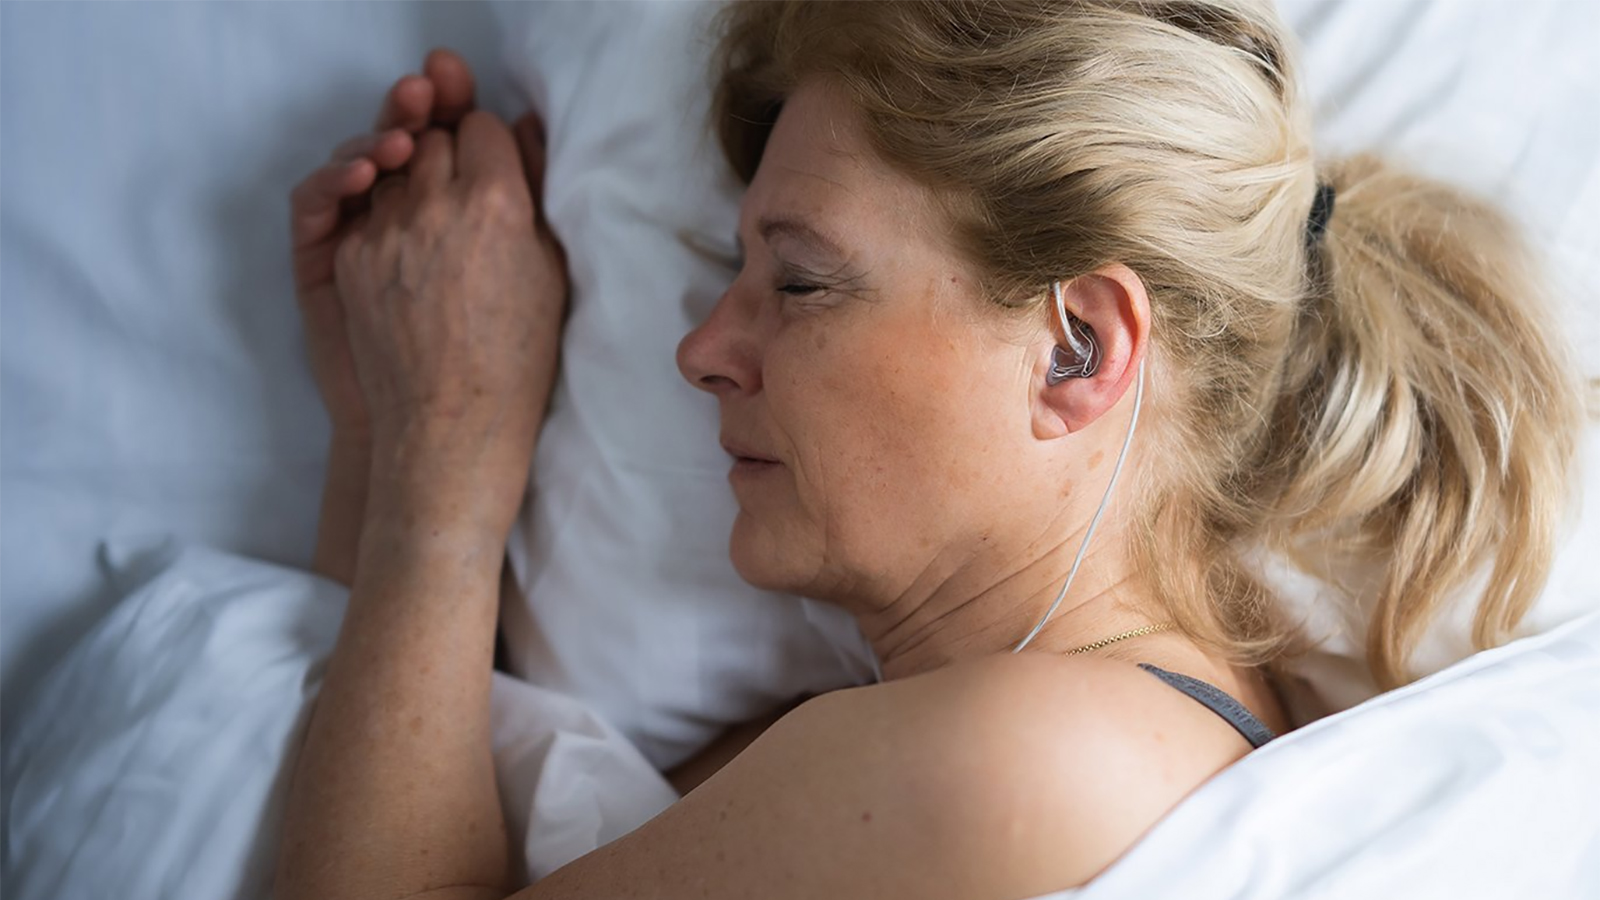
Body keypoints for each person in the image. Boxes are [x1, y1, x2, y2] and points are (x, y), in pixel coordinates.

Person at [275, 2, 1590, 897]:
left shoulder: (1019, 762)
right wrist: (378, 426)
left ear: (1076, 346)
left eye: (800, 284)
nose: (702, 350)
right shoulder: (965, 739)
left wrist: (447, 458)